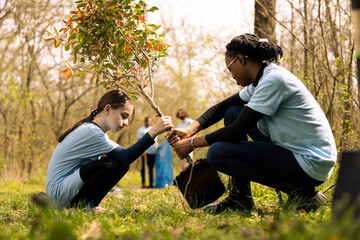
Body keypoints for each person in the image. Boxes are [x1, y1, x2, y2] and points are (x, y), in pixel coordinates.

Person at [167, 33, 337, 214]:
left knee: (217, 153)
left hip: (311, 161)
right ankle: (240, 198)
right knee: (232, 112)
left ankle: (302, 192)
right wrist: (189, 131)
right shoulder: (263, 79)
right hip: (294, 152)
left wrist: (192, 143)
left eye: (229, 69)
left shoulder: (273, 80)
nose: (231, 75)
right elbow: (222, 107)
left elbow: (235, 132)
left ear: (240, 60)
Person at [46, 90, 173, 210]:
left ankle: (89, 205)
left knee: (117, 164)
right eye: (124, 116)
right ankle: (77, 207)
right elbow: (126, 156)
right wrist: (154, 131)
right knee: (115, 164)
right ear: (108, 109)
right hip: (58, 194)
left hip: (62, 191)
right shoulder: (91, 132)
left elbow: (121, 160)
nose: (126, 123)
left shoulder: (93, 131)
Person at [137, 116, 158, 188]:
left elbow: (156, 141)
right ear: (145, 121)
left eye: (150, 121)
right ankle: (144, 183)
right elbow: (139, 141)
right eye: (147, 121)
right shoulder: (141, 130)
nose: (148, 122)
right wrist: (141, 151)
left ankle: (151, 184)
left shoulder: (153, 129)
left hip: (153, 152)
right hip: (145, 152)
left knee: (151, 169)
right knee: (144, 168)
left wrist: (158, 148)